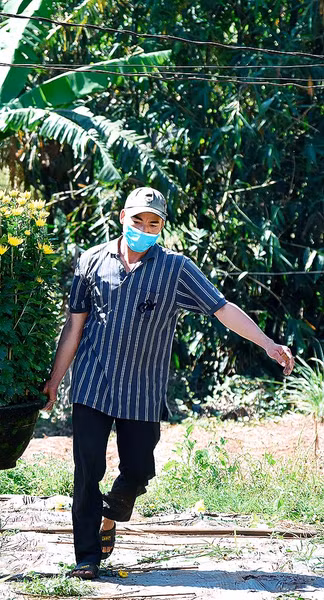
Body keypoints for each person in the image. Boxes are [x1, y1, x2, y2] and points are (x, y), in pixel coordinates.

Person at [42, 187, 295, 580]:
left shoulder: (176, 268)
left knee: (139, 469)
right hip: (92, 383)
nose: (144, 228)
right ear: (122, 217)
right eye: (138, 220)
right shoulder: (91, 261)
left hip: (142, 390)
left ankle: (112, 512)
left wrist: (266, 343)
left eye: (153, 223)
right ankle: (86, 558)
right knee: (87, 469)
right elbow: (74, 326)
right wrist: (55, 381)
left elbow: (222, 308)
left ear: (161, 227)